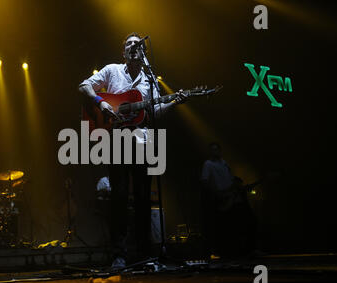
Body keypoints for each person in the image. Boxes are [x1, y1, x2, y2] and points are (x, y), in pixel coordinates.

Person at [79, 32, 187, 269]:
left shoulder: (150, 79)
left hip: (142, 141)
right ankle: (119, 254)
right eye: (128, 43)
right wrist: (101, 102)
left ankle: (144, 254)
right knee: (118, 197)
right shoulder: (111, 71)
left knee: (142, 199)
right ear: (123, 51)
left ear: (142, 51)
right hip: (116, 140)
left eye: (136, 44)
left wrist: (173, 102)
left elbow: (154, 113)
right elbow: (84, 85)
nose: (133, 46)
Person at [200, 142, 257, 259]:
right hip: (222, 198)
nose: (215, 152)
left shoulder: (224, 163)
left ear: (220, 151)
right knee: (226, 226)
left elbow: (230, 179)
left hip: (231, 196)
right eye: (212, 150)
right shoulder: (208, 164)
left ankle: (245, 250)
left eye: (216, 150)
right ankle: (228, 251)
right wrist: (216, 193)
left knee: (240, 222)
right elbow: (205, 181)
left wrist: (238, 188)